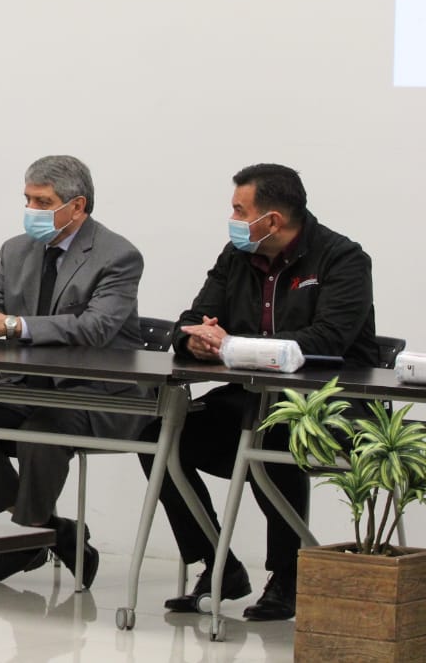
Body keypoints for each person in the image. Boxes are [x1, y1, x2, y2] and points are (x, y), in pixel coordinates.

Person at [140, 163, 376, 621]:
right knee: (159, 438)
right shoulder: (236, 255)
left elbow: (328, 339)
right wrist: (195, 341)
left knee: (273, 435)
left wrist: (232, 345)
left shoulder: (343, 258)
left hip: (326, 404)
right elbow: (193, 318)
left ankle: (289, 575)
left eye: (239, 210)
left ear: (273, 220)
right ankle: (219, 564)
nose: (232, 219)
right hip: (252, 395)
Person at [0, 154, 146, 589]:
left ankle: (23, 539)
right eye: (28, 199)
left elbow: (96, 327)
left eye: (43, 201)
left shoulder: (118, 256)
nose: (31, 209)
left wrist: (13, 325)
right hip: (26, 387)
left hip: (95, 393)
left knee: (41, 433)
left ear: (77, 206)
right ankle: (48, 532)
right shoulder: (16, 249)